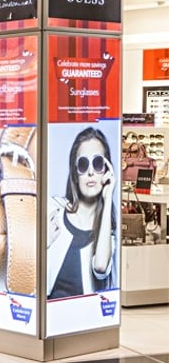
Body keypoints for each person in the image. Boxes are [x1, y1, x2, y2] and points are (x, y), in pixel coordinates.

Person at [47, 127, 116, 299]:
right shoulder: (52, 211)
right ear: (76, 174)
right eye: (84, 164)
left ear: (107, 171)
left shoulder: (106, 233)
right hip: (49, 316)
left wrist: (108, 198)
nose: (91, 172)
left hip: (84, 318)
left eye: (98, 163)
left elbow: (100, 268)